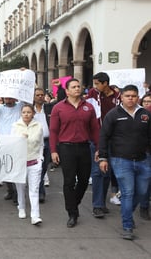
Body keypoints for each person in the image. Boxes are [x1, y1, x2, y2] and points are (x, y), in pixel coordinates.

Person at [99, 85, 151, 240]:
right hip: (121, 160)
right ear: (121, 96)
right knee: (128, 193)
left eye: (134, 96)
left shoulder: (145, 115)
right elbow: (104, 137)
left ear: (138, 97)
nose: (131, 98)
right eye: (127, 95)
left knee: (142, 192)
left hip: (143, 159)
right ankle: (127, 225)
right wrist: (103, 157)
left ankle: (127, 213)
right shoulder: (113, 115)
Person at [49, 78, 99, 228]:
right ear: (67, 90)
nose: (77, 89)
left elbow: (95, 130)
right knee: (69, 181)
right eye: (74, 87)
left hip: (84, 147)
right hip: (66, 148)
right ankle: (72, 212)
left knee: (84, 180)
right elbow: (53, 131)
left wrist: (98, 148)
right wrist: (53, 150)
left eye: (79, 86)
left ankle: (73, 203)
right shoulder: (58, 108)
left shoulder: (88, 107)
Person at [86, 72, 121, 218]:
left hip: (116, 139)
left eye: (97, 83)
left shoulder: (118, 97)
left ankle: (102, 203)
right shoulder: (94, 94)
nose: (94, 86)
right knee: (98, 172)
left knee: (107, 172)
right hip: (98, 138)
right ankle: (97, 206)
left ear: (105, 83)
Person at [11, 104, 44, 225]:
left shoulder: (38, 126)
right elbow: (11, 143)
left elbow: (40, 143)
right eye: (24, 112)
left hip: (34, 161)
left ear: (33, 114)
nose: (26, 114)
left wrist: (40, 158)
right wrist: (20, 138)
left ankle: (35, 215)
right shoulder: (15, 126)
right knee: (20, 187)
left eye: (28, 112)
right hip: (20, 162)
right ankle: (21, 206)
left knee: (34, 189)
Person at [0, 94, 23, 204]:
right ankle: (10, 190)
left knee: (16, 168)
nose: (8, 99)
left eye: (10, 97)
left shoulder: (19, 106)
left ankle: (18, 193)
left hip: (17, 140)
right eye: (6, 97)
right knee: (6, 167)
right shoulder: (0, 108)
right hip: (4, 141)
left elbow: (27, 99)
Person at [33, 88, 54, 203]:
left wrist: (60, 88)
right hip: (36, 143)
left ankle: (38, 189)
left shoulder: (50, 108)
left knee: (45, 167)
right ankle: (40, 192)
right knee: (38, 168)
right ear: (33, 97)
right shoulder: (30, 110)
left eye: (42, 95)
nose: (40, 97)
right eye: (37, 95)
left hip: (48, 141)